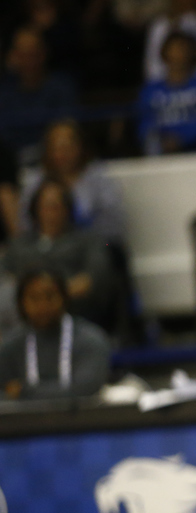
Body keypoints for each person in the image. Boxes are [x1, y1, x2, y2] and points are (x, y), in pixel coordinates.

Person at [4, 179, 117, 331]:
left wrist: (50, 297)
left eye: (55, 207)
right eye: (45, 207)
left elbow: (93, 279)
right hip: (20, 315)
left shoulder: (88, 241)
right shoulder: (19, 245)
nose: (50, 213)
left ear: (67, 209)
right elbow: (5, 277)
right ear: (35, 210)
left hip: (75, 313)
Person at [0, 266, 111, 400]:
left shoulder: (91, 340)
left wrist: (23, 391)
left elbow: (86, 388)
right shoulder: (10, 346)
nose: (43, 305)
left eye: (50, 296)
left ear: (64, 298)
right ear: (21, 303)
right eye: (34, 298)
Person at [19, 119, 127, 244]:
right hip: (47, 246)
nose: (63, 153)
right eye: (57, 147)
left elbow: (114, 221)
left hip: (93, 243)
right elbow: (25, 222)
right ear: (48, 149)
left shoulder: (97, 177)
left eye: (67, 146)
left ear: (80, 147)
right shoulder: (36, 180)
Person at [0, 27, 78, 162]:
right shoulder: (4, 91)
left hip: (54, 161)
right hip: (10, 163)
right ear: (13, 56)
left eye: (32, 54)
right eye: (22, 55)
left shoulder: (61, 87)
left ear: (43, 53)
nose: (28, 61)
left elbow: (66, 129)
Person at [137, 31, 196, 155]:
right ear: (164, 52)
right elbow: (144, 125)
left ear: (192, 53)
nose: (178, 54)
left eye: (183, 49)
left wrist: (183, 139)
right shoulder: (150, 90)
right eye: (173, 49)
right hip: (161, 156)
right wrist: (160, 142)